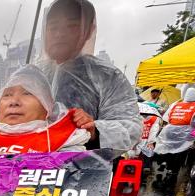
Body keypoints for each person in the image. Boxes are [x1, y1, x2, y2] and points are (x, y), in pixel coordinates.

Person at [37, 0, 141, 150]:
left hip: (82, 169)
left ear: (87, 31)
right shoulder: (30, 75)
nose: (59, 34)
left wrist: (94, 130)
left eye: (71, 26)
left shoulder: (107, 76)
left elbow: (130, 128)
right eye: (53, 27)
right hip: (24, 167)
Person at [0, 65, 90, 155]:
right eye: (7, 95)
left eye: (27, 93)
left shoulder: (64, 143)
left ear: (47, 105)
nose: (14, 102)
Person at [154, 88, 195, 180]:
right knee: (180, 152)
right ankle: (173, 170)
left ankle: (164, 162)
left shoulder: (175, 104)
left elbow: (166, 118)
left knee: (167, 147)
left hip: (169, 130)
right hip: (185, 132)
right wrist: (192, 138)